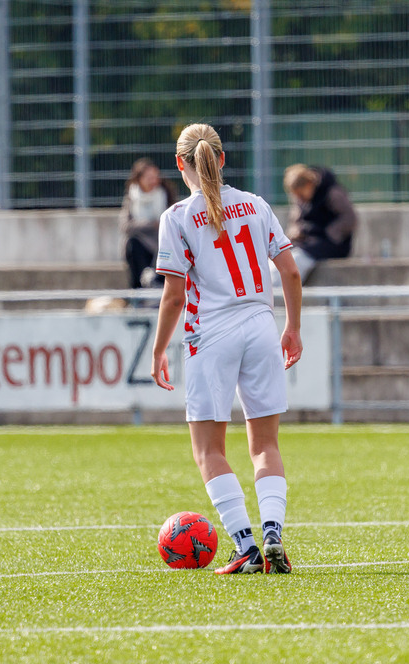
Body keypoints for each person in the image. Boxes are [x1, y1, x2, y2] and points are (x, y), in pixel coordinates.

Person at [150, 123, 303, 575]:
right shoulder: (255, 204)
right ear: (221, 158)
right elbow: (291, 273)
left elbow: (174, 296)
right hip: (260, 327)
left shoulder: (177, 216)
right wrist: (293, 327)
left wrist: (158, 349)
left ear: (180, 164)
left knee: (209, 450)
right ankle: (272, 532)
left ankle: (246, 547)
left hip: (211, 334)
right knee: (265, 445)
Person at [272, 163, 358, 284]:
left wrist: (329, 233)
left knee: (298, 258)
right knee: (282, 254)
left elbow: (350, 218)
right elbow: (296, 221)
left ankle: (281, 287)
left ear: (309, 184)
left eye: (300, 194)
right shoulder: (301, 199)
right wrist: (296, 232)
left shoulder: (331, 192)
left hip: (332, 243)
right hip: (309, 241)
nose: (299, 199)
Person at [119, 158, 178, 289]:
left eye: (155, 177)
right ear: (139, 179)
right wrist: (151, 224)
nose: (153, 181)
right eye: (149, 178)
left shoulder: (165, 195)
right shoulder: (132, 198)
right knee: (132, 245)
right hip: (141, 246)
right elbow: (126, 226)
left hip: (161, 245)